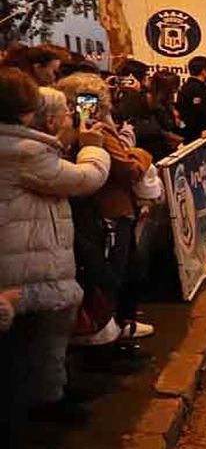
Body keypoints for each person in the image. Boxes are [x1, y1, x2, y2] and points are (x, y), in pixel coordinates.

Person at [0, 68, 111, 437]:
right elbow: (84, 180)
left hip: (28, 251)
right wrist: (94, 147)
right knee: (29, 347)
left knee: (41, 341)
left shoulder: (24, 146)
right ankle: (37, 419)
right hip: (26, 260)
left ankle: (52, 396)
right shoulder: (23, 149)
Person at [56, 71, 158, 346]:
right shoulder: (96, 131)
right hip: (110, 211)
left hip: (97, 210)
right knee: (114, 271)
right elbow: (127, 169)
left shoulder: (68, 132)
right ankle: (105, 327)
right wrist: (141, 156)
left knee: (116, 269)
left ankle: (112, 323)